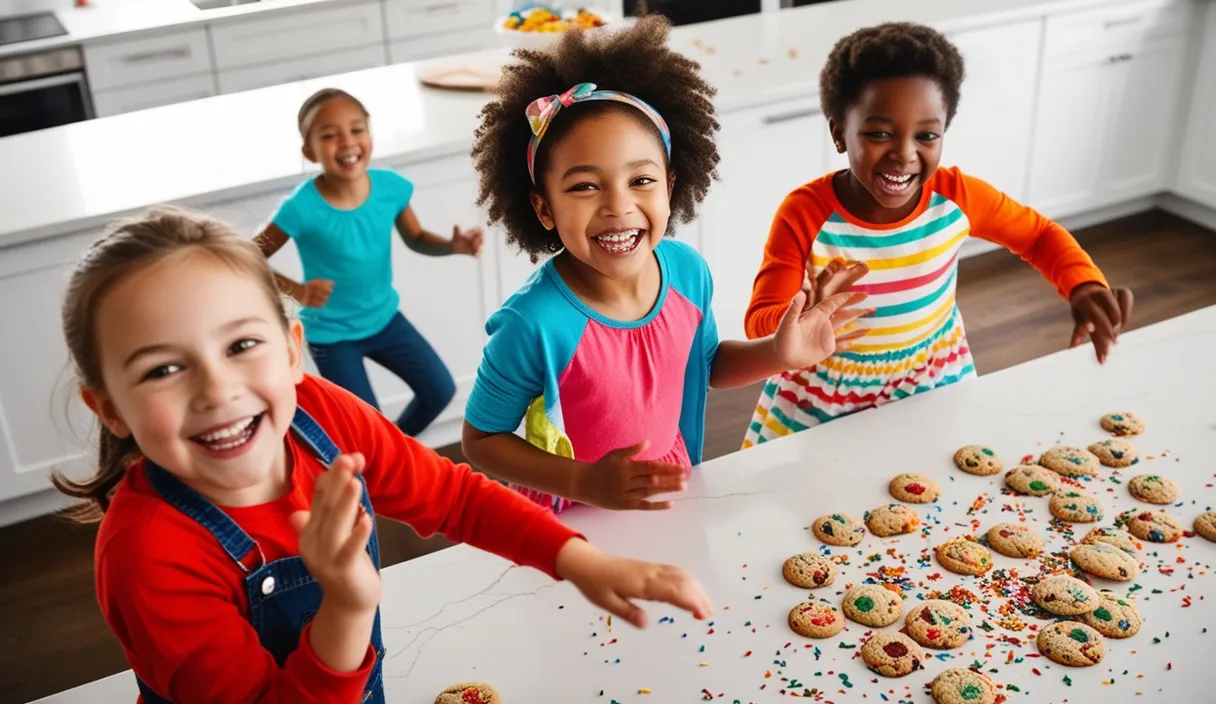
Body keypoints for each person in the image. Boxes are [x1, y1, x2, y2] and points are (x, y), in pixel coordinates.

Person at [51, 206, 714, 703]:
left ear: (290, 350)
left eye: (241, 345)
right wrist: (344, 606)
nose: (216, 389)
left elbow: (452, 496)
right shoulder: (147, 556)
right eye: (164, 369)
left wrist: (577, 559)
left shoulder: (321, 414)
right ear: (108, 406)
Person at [461, 16, 871, 514]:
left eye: (641, 180)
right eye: (584, 186)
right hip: (574, 509)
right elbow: (481, 439)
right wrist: (585, 482)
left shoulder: (687, 273)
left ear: (671, 186)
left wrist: (778, 354)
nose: (618, 206)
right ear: (543, 207)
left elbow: (704, 365)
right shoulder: (533, 324)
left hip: (669, 486)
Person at [741, 22, 1134, 448]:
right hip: (827, 397)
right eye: (879, 134)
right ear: (839, 132)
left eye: (926, 135)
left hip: (932, 380)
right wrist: (797, 317)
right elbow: (758, 322)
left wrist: (1082, 283)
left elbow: (1038, 236)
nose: (905, 153)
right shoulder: (804, 213)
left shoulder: (957, 196)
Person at [254, 88, 479, 437]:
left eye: (356, 129)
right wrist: (297, 290)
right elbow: (249, 256)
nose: (346, 142)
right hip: (332, 336)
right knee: (366, 427)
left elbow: (416, 238)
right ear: (309, 151)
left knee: (440, 389)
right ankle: (380, 466)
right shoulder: (300, 208)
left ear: (370, 136)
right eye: (329, 135)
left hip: (385, 320)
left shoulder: (391, 188)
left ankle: (396, 452)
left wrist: (453, 246)